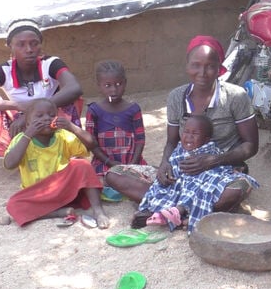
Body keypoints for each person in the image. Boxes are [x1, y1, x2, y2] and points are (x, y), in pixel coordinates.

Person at [104, 35, 259, 224]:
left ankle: (166, 208)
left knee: (237, 189)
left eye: (210, 66)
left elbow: (251, 146)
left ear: (219, 69)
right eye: (196, 65)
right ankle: (187, 211)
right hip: (181, 172)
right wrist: (164, 165)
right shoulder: (177, 97)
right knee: (115, 174)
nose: (202, 72)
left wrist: (214, 160)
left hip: (220, 172)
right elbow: (171, 141)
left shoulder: (236, 96)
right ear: (187, 67)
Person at [0, 19, 84, 211]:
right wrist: (17, 106)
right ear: (11, 47)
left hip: (51, 127)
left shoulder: (50, 64)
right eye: (21, 44)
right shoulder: (4, 70)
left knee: (71, 103)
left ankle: (69, 163)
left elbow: (74, 88)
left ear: (40, 45)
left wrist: (32, 112)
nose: (29, 49)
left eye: (34, 43)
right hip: (18, 127)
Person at [136, 115, 259, 232]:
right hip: (180, 187)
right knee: (127, 177)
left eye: (195, 134)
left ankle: (178, 212)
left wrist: (207, 167)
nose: (189, 137)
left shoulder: (210, 150)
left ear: (206, 139)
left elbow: (219, 171)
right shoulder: (179, 150)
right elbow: (174, 166)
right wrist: (166, 168)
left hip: (203, 184)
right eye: (186, 132)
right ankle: (181, 217)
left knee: (220, 188)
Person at [1, 98, 109, 228]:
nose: (47, 118)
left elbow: (92, 144)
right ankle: (57, 212)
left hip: (62, 189)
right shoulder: (21, 139)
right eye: (39, 116)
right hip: (37, 195)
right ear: (28, 122)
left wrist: (71, 127)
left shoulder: (62, 135)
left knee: (82, 165)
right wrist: (27, 135)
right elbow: (9, 164)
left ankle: (98, 211)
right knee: (13, 204)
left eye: (52, 115)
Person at [84, 60, 147, 179]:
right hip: (104, 163)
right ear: (99, 86)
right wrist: (109, 162)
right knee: (106, 181)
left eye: (118, 84)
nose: (113, 90)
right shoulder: (94, 111)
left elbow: (140, 140)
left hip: (132, 162)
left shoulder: (133, 109)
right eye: (107, 85)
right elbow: (92, 145)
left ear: (125, 83)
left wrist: (133, 163)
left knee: (146, 179)